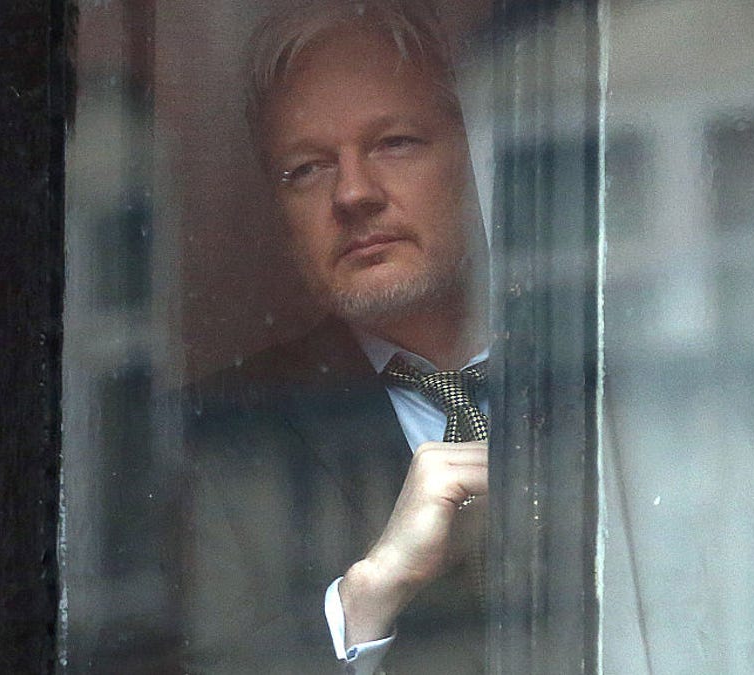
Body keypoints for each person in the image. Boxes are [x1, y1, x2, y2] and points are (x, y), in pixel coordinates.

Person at [181, 1, 491, 673]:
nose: (352, 193)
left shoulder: (609, 364)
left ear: (476, 156)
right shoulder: (218, 440)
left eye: (394, 142)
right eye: (308, 167)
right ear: (278, 215)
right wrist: (364, 603)